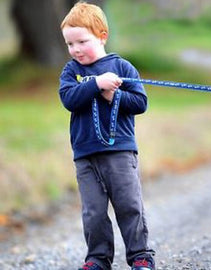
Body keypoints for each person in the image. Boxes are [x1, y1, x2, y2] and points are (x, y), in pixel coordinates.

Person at [59, 2, 155, 270]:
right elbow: (69, 98)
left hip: (120, 152)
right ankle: (98, 259)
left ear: (102, 36)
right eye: (70, 44)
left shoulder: (122, 67)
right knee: (93, 212)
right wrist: (96, 84)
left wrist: (115, 94)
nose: (75, 49)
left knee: (129, 205)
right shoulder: (71, 72)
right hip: (85, 155)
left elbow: (140, 103)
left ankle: (140, 257)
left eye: (82, 41)